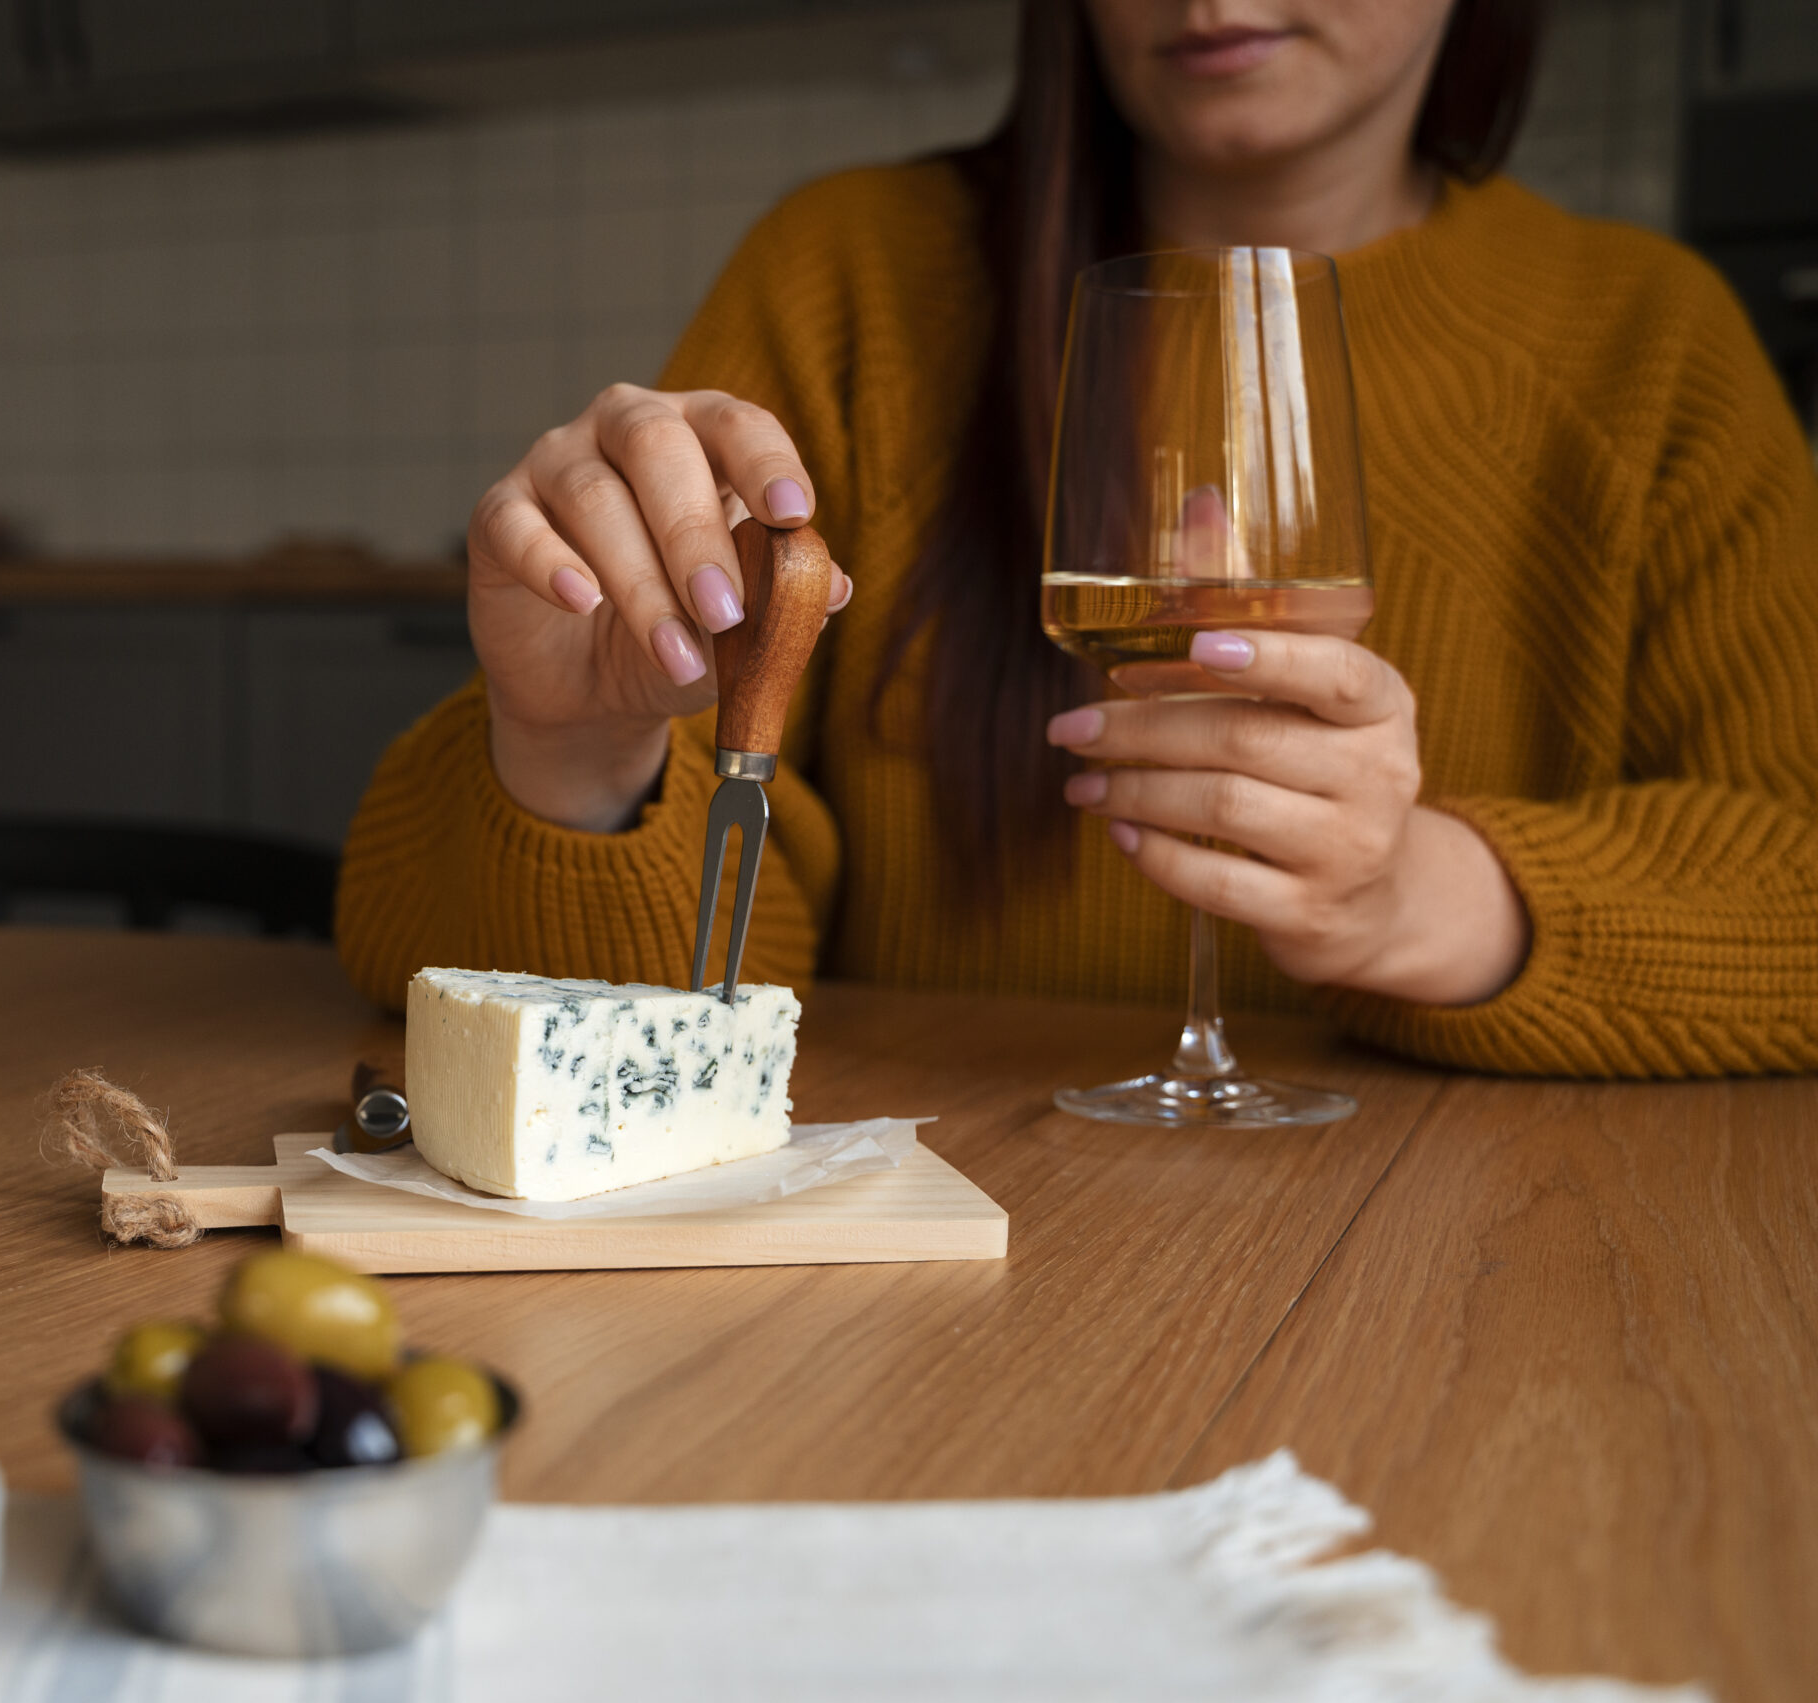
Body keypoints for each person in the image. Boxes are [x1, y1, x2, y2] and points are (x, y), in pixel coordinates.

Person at [336, 0, 1818, 1077]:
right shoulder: (849, 277)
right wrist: (574, 760)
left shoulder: (1654, 344)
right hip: (936, 1272)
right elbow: (628, 1000)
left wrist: (1420, 899)